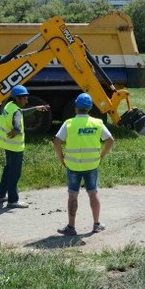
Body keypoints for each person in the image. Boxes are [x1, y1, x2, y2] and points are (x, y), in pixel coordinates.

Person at [54, 93, 114, 236]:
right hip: (92, 165)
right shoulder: (97, 123)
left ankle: (71, 227)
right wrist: (101, 156)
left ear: (75, 107)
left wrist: (61, 158)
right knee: (93, 193)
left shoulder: (69, 123)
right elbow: (110, 140)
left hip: (73, 166)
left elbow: (57, 141)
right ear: (90, 108)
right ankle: (96, 224)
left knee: (73, 196)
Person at [0, 85, 49, 209]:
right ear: (17, 98)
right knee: (15, 174)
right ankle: (13, 201)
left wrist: (35, 108)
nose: (27, 100)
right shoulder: (16, 111)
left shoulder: (9, 106)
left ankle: (0, 196)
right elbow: (17, 125)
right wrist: (16, 130)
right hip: (15, 148)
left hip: (6, 145)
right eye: (24, 98)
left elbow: (21, 112)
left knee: (8, 170)